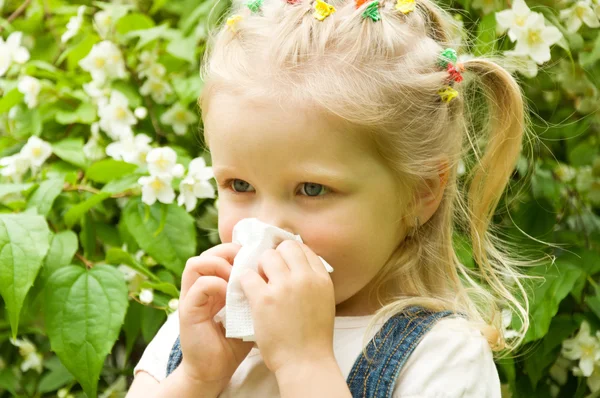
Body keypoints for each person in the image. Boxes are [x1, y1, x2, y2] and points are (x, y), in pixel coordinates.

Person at [127, 0, 531, 395]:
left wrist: (305, 365)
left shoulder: (442, 359)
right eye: (240, 186)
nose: (267, 226)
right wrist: (198, 378)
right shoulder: (196, 334)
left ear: (420, 192)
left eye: (312, 189)